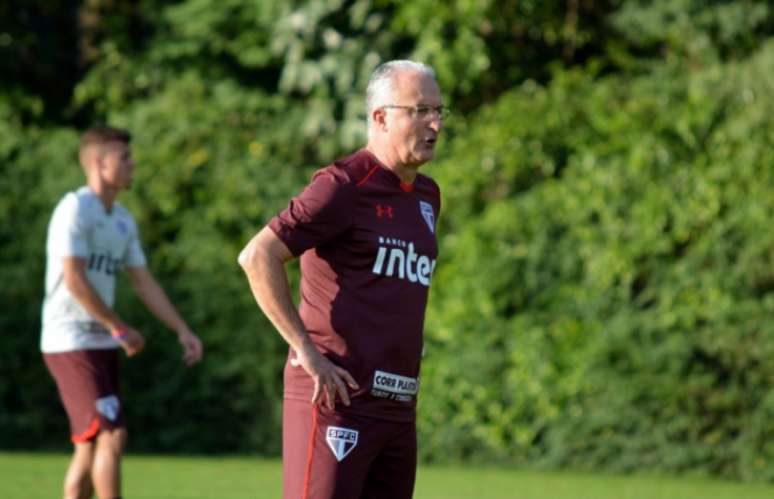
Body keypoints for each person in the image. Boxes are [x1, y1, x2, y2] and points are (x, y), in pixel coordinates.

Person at [239, 60, 446, 499]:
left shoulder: (428, 195)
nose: (434, 123)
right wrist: (306, 351)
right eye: (421, 110)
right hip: (337, 401)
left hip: (398, 406)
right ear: (381, 116)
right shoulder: (343, 186)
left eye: (439, 111)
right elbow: (258, 256)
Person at [41, 126, 204, 499]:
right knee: (112, 434)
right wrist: (118, 327)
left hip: (100, 340)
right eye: (124, 157)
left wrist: (182, 329)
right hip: (70, 339)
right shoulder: (75, 208)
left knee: (89, 445)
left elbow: (143, 282)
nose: (133, 163)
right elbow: (74, 279)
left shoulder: (122, 220)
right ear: (99, 162)